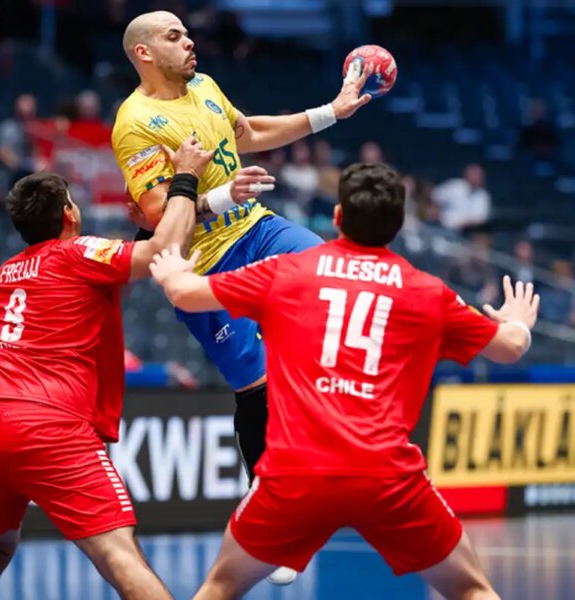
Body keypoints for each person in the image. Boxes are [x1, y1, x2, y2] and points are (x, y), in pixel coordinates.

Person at [149, 163, 540, 600]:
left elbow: (187, 293)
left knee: (220, 587)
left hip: (296, 475)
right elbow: (509, 347)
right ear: (397, 225)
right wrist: (518, 323)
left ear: (337, 216)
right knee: (471, 589)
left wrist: (170, 269)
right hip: (386, 475)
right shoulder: (427, 293)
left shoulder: (289, 271)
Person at [112, 16, 372, 583]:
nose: (190, 43)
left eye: (188, 33)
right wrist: (221, 195)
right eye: (175, 37)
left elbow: (247, 131)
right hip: (200, 263)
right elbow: (160, 220)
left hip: (257, 229)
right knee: (253, 382)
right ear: (144, 52)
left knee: (331, 272)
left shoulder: (204, 87)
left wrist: (332, 110)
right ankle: (268, 511)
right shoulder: (134, 124)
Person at [0, 136, 217, 600]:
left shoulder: (8, 272)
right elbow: (164, 249)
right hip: (48, 425)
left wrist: (142, 236)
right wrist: (187, 175)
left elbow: (91, 293)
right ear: (70, 215)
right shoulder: (78, 253)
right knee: (118, 552)